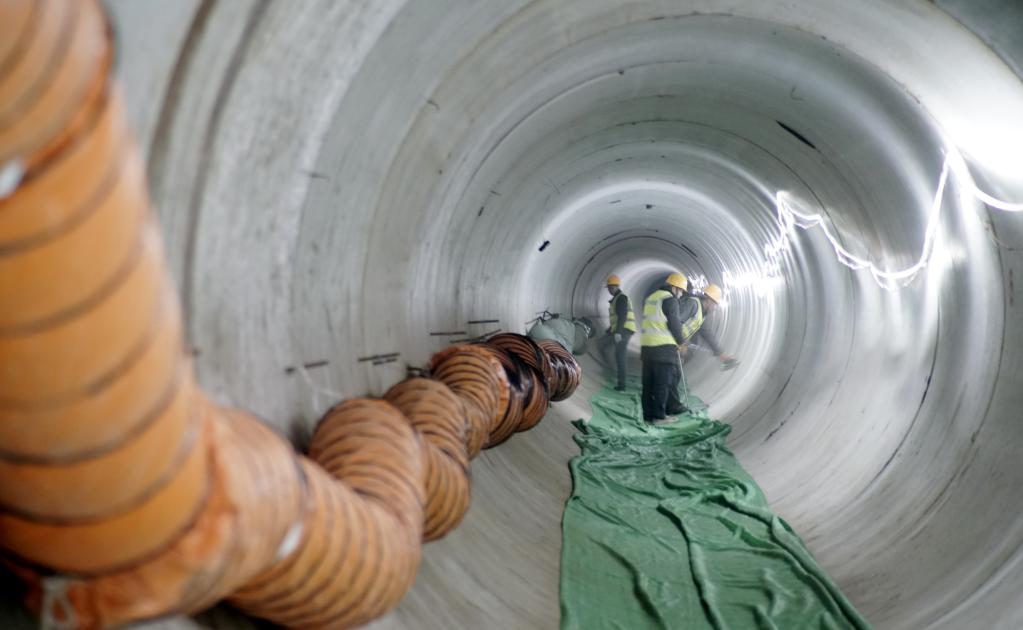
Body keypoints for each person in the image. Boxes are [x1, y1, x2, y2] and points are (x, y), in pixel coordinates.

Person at [640, 272, 689, 424]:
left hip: (647, 348)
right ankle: (659, 416)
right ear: (674, 287)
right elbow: (674, 324)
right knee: (662, 383)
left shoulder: (652, 298)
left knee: (648, 384)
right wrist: (681, 342)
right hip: (663, 349)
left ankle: (648, 415)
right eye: (681, 290)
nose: (681, 294)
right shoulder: (670, 300)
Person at [678, 284, 737, 368]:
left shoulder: (701, 314)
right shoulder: (692, 304)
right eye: (714, 303)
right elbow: (675, 321)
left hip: (673, 342)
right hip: (666, 341)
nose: (714, 307)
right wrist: (681, 342)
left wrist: (721, 354)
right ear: (708, 299)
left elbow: (707, 334)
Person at [597, 274, 636, 390]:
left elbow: (622, 316)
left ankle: (621, 384)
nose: (609, 290)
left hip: (624, 330)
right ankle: (611, 371)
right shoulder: (616, 298)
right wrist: (610, 331)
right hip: (620, 329)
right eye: (609, 288)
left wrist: (618, 332)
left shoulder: (621, 298)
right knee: (602, 345)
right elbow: (616, 318)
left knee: (620, 356)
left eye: (611, 287)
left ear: (616, 287)